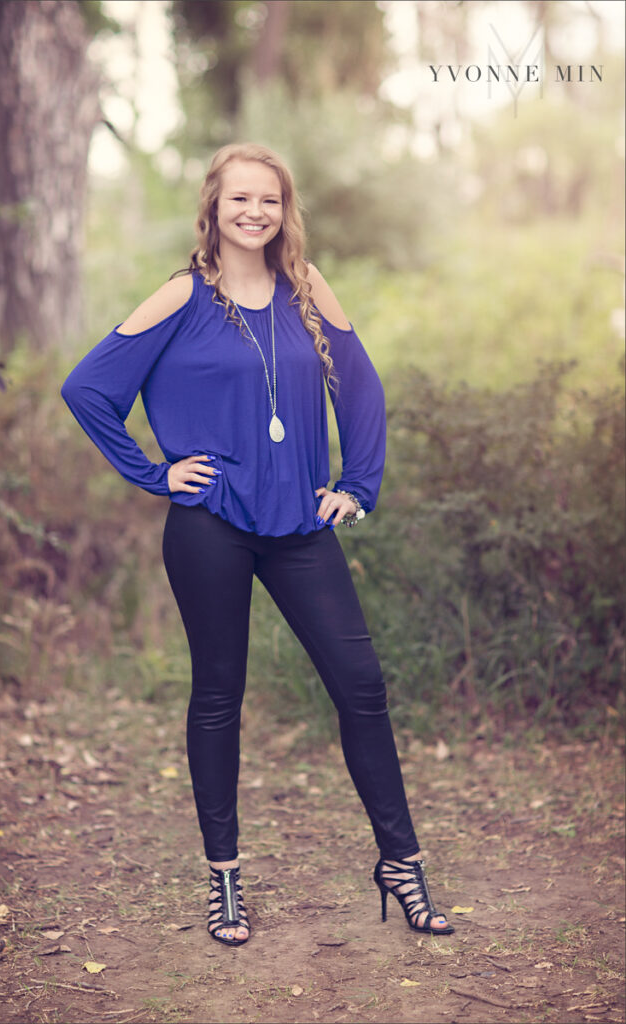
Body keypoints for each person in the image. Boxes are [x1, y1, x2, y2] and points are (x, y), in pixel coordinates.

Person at [61, 142, 454, 946]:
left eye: (268, 200)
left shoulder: (304, 287)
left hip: (300, 523)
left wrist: (359, 484)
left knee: (361, 686)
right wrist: (153, 472)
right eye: (239, 198)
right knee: (218, 695)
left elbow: (361, 383)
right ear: (213, 206)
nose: (254, 212)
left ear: (284, 209)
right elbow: (88, 386)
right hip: (209, 521)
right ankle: (224, 881)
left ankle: (400, 864)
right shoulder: (181, 295)